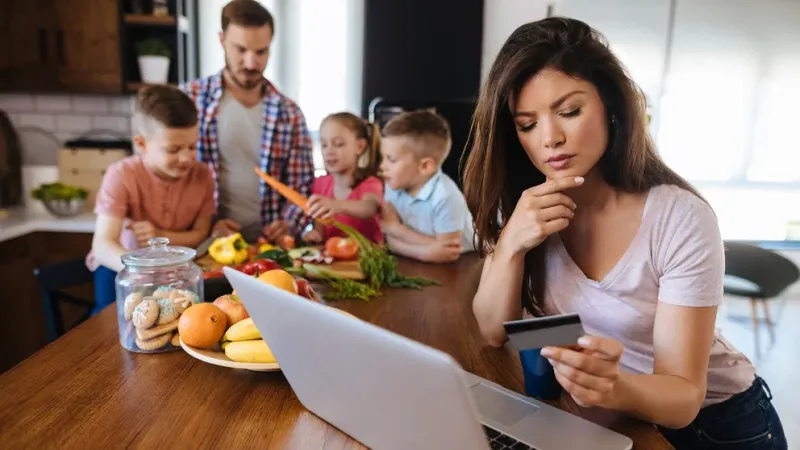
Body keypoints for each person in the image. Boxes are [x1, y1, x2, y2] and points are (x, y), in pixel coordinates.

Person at [462, 17, 787, 450]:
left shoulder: (679, 218)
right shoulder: (524, 204)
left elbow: (684, 396)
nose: (550, 138)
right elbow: (491, 330)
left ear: (611, 108)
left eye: (570, 112)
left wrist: (615, 387)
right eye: (527, 124)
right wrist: (511, 246)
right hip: (613, 416)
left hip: (719, 425)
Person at [181, 0, 314, 243]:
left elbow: (302, 186)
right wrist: (208, 223)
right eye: (241, 50)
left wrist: (289, 224)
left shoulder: (290, 114)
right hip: (204, 243)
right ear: (222, 40)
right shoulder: (190, 100)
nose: (251, 63)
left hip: (267, 247)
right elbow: (170, 177)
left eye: (261, 52)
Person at [89, 86, 215, 314]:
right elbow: (102, 246)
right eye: (173, 149)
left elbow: (201, 235)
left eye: (192, 146)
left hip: (178, 273)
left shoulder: (203, 175)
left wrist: (160, 235)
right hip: (119, 269)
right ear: (141, 144)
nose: (186, 158)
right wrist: (147, 275)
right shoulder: (121, 174)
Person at [380, 110, 476, 263]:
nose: (382, 166)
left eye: (391, 160)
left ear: (424, 166)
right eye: (383, 157)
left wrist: (395, 229)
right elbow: (390, 241)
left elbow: (448, 252)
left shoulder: (446, 197)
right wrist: (429, 250)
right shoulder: (392, 184)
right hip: (421, 261)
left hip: (469, 259)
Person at [302, 112, 384, 244]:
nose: (329, 151)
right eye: (324, 145)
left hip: (363, 260)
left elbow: (370, 207)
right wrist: (315, 234)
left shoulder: (370, 183)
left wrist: (336, 205)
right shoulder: (320, 183)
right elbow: (320, 225)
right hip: (334, 261)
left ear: (360, 147)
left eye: (338, 144)